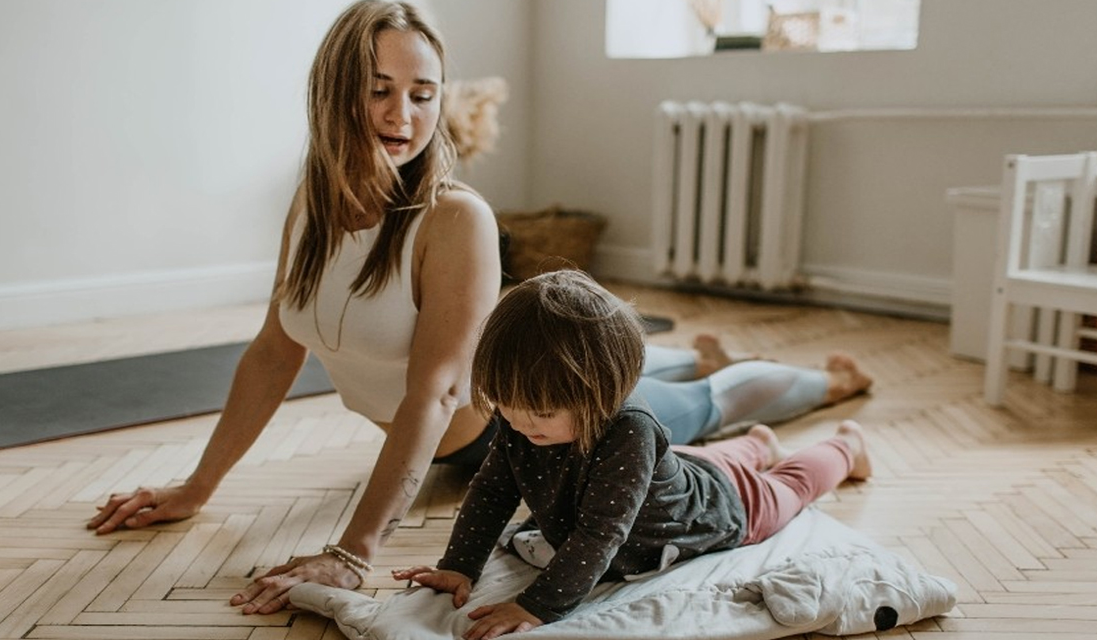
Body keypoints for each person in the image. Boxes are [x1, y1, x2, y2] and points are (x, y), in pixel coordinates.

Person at [85, 0, 870, 615]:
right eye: (380, 89)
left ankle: (825, 389)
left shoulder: (453, 218)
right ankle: (689, 359)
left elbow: (436, 393)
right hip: (498, 411)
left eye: (423, 95)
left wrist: (356, 551)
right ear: (334, 91)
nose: (403, 115)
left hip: (525, 429)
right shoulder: (311, 209)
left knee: (695, 408)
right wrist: (196, 489)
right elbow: (271, 353)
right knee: (671, 389)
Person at [393, 270, 872, 639]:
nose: (518, 422)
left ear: (600, 392)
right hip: (681, 469)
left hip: (721, 507)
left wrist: (537, 606)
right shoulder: (524, 420)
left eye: (538, 411)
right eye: (506, 406)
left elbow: (601, 533)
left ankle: (846, 447)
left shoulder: (630, 431)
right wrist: (460, 563)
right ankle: (758, 442)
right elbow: (494, 490)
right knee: (704, 462)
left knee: (789, 485)